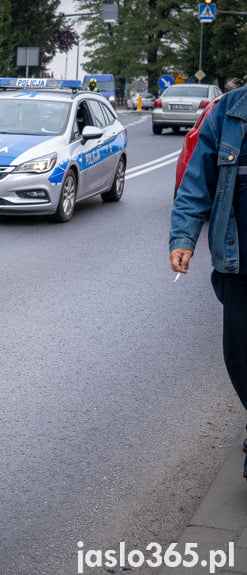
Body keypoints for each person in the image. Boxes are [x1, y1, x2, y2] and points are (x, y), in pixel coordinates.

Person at [169, 84, 247, 480]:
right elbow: (196, 182)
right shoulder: (229, 111)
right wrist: (184, 239)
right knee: (238, 355)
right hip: (238, 263)